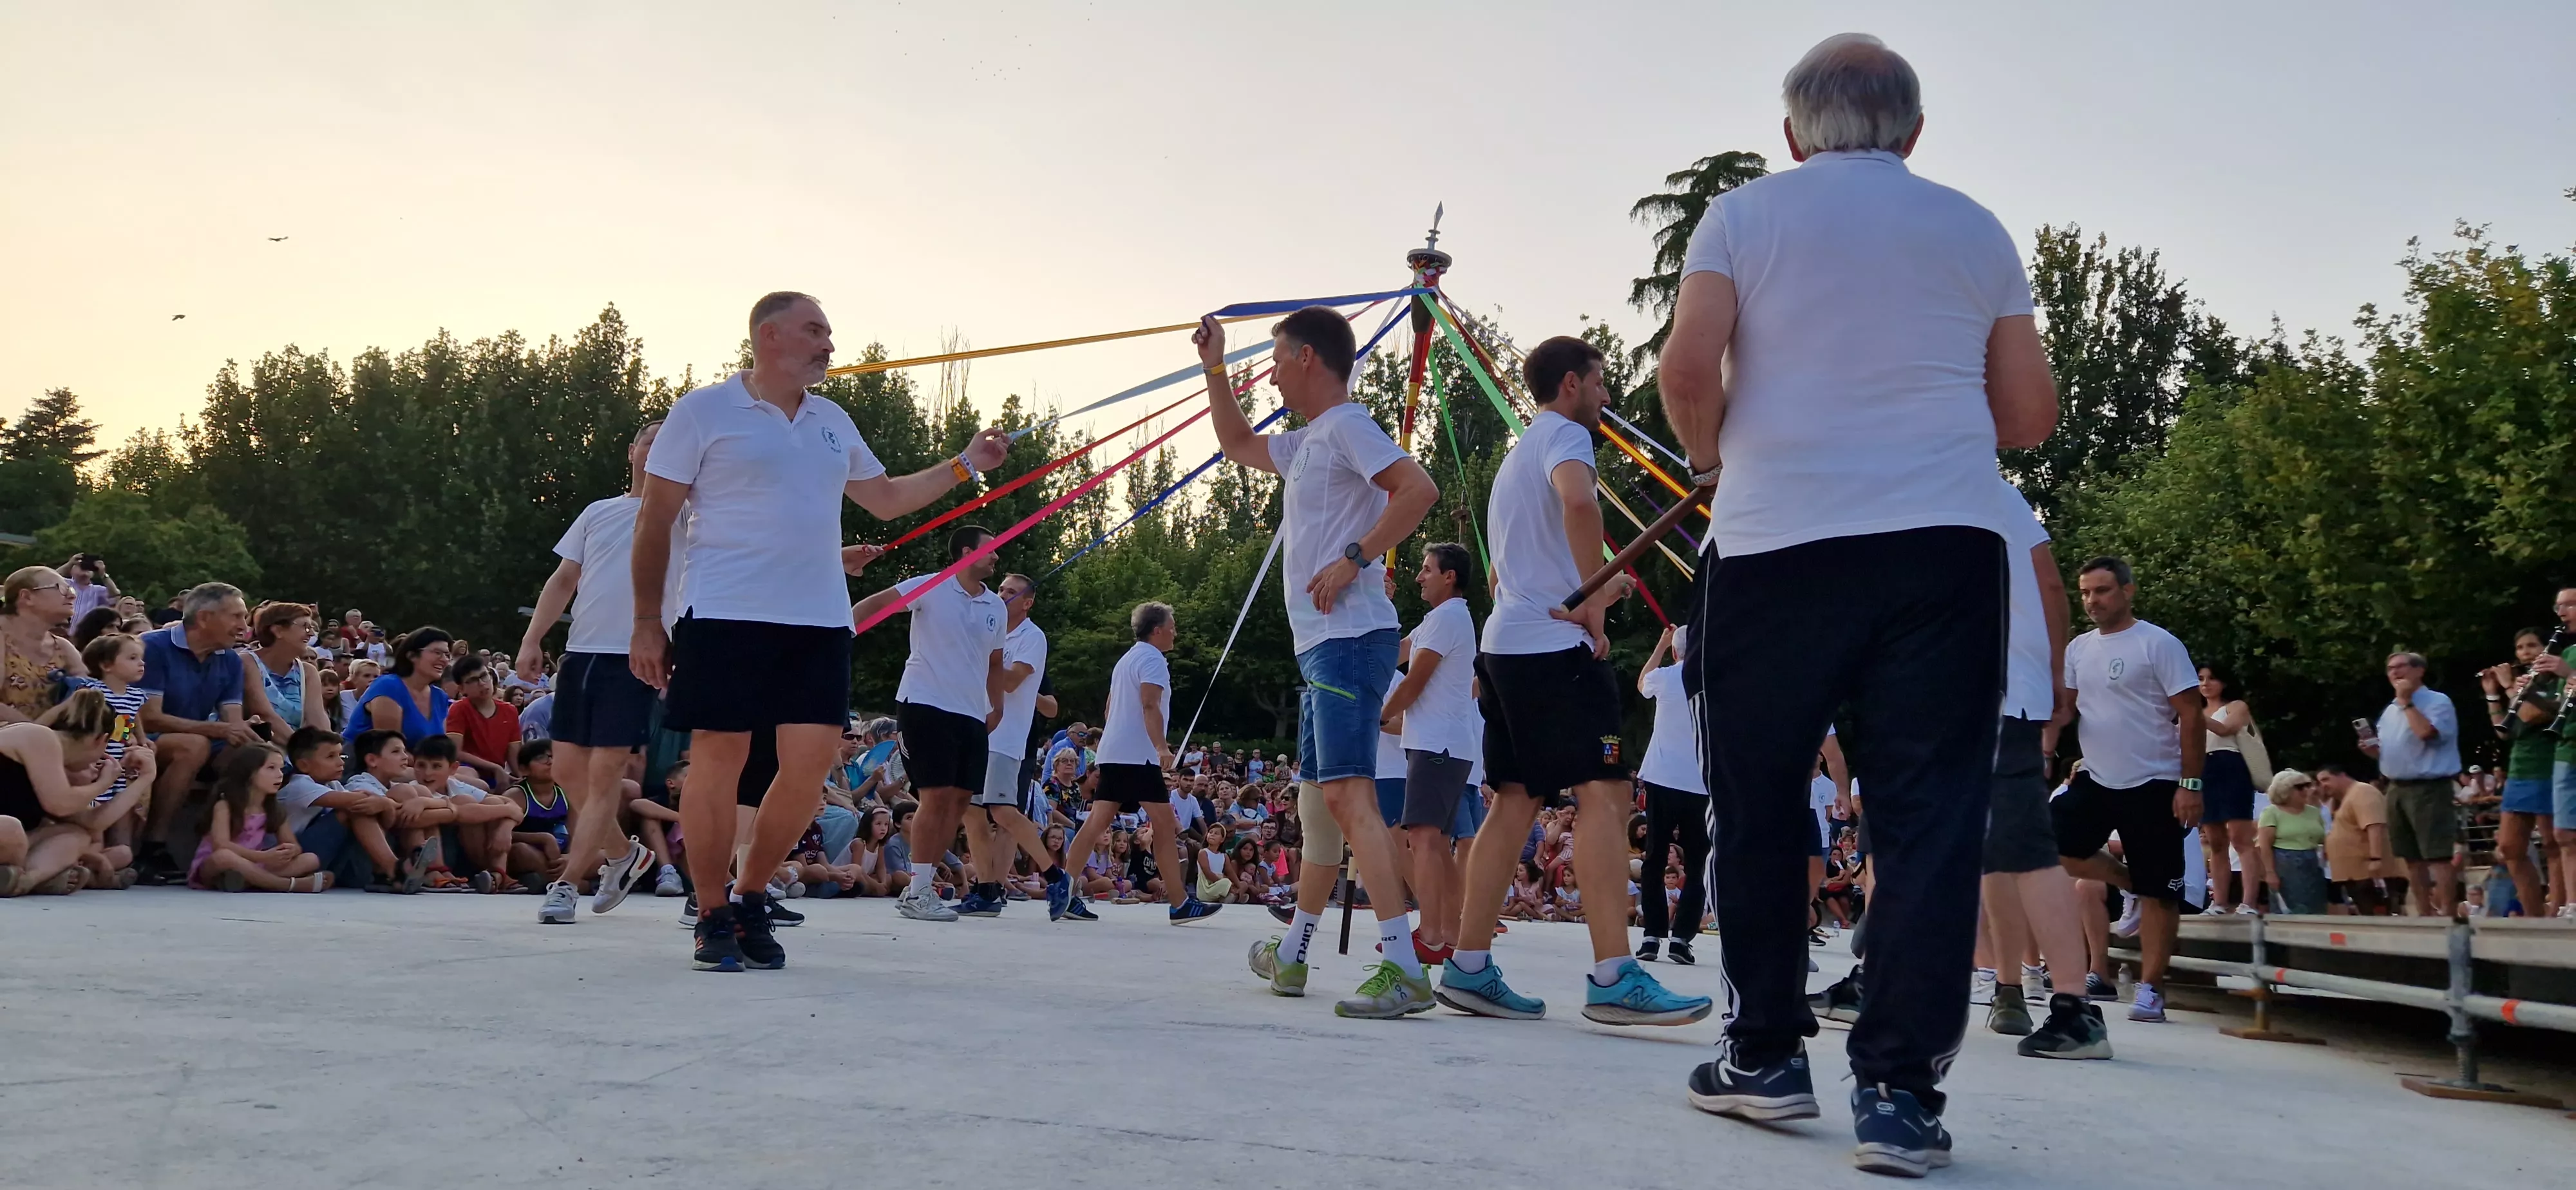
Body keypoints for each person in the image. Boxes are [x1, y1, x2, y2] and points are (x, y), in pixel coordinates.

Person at [1654, 33, 2058, 1169]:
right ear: (1915, 132)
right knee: (1929, 819)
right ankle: (1898, 1094)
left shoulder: (1742, 216)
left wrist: (1716, 466)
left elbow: (1688, 372)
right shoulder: (1974, 225)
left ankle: (1765, 1056)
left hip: (1778, 541)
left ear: (1791, 133)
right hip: (1939, 545)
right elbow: (2026, 415)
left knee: (1761, 799)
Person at [629, 290, 1011, 972]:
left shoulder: (833, 419)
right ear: (768, 336)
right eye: (815, 331)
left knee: (806, 771)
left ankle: (749, 895)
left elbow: (886, 498)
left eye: (829, 333)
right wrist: (646, 623)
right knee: (719, 760)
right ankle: (711, 908)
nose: (829, 345)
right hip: (724, 612)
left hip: (819, 620)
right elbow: (654, 519)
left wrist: (965, 465)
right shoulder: (703, 412)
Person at [1442, 332, 1710, 1034]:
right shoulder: (1565, 437)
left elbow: (1507, 575)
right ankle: (1614, 977)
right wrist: (1591, 598)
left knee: (1513, 802)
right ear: (1569, 384)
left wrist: (1587, 586)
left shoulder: (1517, 456)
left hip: (1505, 646)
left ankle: (1468, 967)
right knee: (1606, 795)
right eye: (1599, 383)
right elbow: (1580, 504)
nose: (1606, 397)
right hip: (1551, 653)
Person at [1195, 303, 1435, 1015]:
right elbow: (1236, 440)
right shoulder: (1308, 443)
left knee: (1347, 798)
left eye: (1274, 360)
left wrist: (1355, 557)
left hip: (1348, 640)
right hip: (1321, 647)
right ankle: (1294, 953)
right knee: (1320, 805)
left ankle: (1403, 967)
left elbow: (1418, 489)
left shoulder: (1348, 428)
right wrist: (1215, 366)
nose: (1267, 375)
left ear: (1306, 358)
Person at [518, 419, 686, 925]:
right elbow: (565, 577)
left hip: (638, 655)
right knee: (569, 772)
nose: (658, 448)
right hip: (581, 653)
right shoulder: (598, 512)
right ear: (633, 451)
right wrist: (532, 639)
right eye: (651, 440)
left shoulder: (689, 517)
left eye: (670, 443)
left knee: (606, 771)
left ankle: (567, 882)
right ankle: (625, 856)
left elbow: (750, 560)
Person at [1975, 480, 2110, 1059]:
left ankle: (2071, 1006)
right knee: (2006, 848)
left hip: (1966, 692)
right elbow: (2050, 584)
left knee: (2021, 847)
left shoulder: (1913, 481)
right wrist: (2055, 675)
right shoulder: (1996, 493)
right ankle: (2014, 989)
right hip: (2007, 691)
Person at [2053, 556, 2204, 1029]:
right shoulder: (2078, 649)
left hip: (2156, 780)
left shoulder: (2158, 643)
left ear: (2128, 591)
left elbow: (2193, 715)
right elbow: (2066, 711)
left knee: (2162, 894)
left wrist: (2190, 784)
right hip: (2097, 777)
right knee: (2048, 847)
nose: (2093, 601)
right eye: (2085, 593)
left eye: (2102, 591)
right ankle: (2129, 880)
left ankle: (2152, 988)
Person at [847, 526, 1012, 923]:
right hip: (926, 704)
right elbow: (870, 606)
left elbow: (994, 663)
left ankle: (917, 889)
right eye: (991, 551)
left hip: (971, 712)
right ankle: (921, 890)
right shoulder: (931, 586)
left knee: (958, 803)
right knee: (935, 798)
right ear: (968, 552)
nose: (997, 558)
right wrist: (840, 637)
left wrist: (997, 707)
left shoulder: (996, 606)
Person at [1062, 602, 1219, 924]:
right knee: (1163, 825)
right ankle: (1179, 904)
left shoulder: (1127, 659)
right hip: (1138, 756)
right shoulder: (1153, 659)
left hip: (1116, 752)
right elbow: (1151, 705)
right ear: (1157, 629)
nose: (1175, 632)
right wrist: (1162, 748)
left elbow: (1109, 710)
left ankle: (1062, 891)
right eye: (1172, 626)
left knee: (1097, 822)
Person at [136, 583, 278, 882]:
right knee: (194, 746)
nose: (244, 626)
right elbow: (149, 718)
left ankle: (237, 844)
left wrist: (248, 734)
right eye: (236, 617)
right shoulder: (152, 647)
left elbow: (232, 723)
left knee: (256, 755)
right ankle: (153, 847)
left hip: (195, 737)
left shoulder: (230, 659)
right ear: (203, 618)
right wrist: (217, 729)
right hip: (141, 739)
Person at [1381, 543, 1482, 961]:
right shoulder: (1439, 620)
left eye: (1426, 570)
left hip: (1435, 744)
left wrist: (1379, 714)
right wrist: (1376, 604)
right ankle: (1444, 934)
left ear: (1449, 576)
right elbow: (1391, 652)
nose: (1419, 577)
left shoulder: (1447, 618)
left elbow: (1414, 679)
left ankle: (1433, 935)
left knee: (1422, 841)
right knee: (1436, 844)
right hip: (1442, 744)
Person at [971, 572, 1074, 918]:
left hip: (1005, 736)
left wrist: (975, 659)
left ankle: (1055, 876)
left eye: (1010, 592)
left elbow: (1013, 681)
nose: (1001, 595)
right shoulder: (991, 630)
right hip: (978, 731)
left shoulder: (1032, 637)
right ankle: (987, 889)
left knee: (1002, 812)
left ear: (1028, 602)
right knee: (971, 812)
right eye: (1000, 589)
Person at [1, 690, 149, 895]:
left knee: (76, 835)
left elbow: (92, 822)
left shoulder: (52, 765)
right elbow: (60, 804)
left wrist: (144, 780)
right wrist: (103, 783)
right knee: (11, 831)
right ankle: (49, 877)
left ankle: (27, 880)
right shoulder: (39, 737)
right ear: (102, 740)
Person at [2359, 651, 2461, 916]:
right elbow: (2391, 749)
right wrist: (2372, 750)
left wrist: (2407, 703)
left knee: (2437, 855)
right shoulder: (2390, 710)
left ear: (2419, 671)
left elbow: (2427, 733)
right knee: (2411, 858)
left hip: (2429, 787)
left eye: (2401, 667)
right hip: (2396, 787)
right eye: (2390, 668)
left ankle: (2448, 914)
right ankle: (2425, 913)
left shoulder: (2437, 701)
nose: (2395, 672)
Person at [1632, 623, 1710, 966]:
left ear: (1677, 651)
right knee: (1697, 864)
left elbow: (1641, 683)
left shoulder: (1665, 677)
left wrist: (1661, 645)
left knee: (1654, 857)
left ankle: (1652, 936)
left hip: (1663, 779)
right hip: (1698, 783)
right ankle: (1681, 939)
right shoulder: (1712, 682)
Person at [2481, 627, 2559, 918]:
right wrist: (2492, 696)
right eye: (2520, 648)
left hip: (2546, 765)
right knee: (2510, 848)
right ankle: (2534, 914)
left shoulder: (2554, 682)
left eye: (2532, 646)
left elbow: (2528, 714)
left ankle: (2558, 910)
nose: (2525, 652)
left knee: (2553, 844)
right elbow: (2504, 731)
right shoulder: (2523, 682)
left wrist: (2509, 686)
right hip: (2519, 769)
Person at [274, 726, 406, 892]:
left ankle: (385, 870)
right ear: (304, 765)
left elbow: (385, 818)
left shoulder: (333, 785)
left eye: (341, 755)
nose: (341, 762)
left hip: (323, 856)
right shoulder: (299, 786)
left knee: (362, 809)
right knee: (353, 809)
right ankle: (392, 868)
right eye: (331, 757)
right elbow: (359, 802)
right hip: (294, 857)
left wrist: (384, 805)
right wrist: (387, 804)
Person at [188, 743, 329, 892]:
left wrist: (288, 851)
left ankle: (246, 881)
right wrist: (261, 857)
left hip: (256, 864)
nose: (280, 774)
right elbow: (221, 845)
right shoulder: (225, 805)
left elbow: (294, 846)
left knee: (310, 859)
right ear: (249, 773)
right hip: (218, 865)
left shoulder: (274, 809)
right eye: (271, 768)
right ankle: (287, 885)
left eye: (281, 769)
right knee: (224, 856)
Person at [2196, 666, 2266, 914]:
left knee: (2240, 839)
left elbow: (2225, 729)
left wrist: (2190, 712)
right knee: (2215, 841)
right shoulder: (2196, 712)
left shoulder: (2236, 706)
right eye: (2201, 679)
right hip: (2205, 771)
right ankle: (2219, 902)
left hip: (2231, 767)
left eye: (2212, 678)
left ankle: (2249, 902)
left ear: (2224, 682)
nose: (2205, 683)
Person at [2524, 588, 2576, 919]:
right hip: (2567, 747)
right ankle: (2573, 904)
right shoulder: (2569, 652)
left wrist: (2567, 674)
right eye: (2558, 606)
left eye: (2569, 604)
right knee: (2564, 833)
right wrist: (2530, 695)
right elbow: (2561, 705)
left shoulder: (2566, 661)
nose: (2562, 612)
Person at [343, 627, 457, 753]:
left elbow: (439, 747)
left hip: (415, 765)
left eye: (447, 655)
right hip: (367, 763)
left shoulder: (440, 697)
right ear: (412, 655)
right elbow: (390, 750)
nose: (444, 659)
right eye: (437, 652)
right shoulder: (389, 686)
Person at [1, 565, 85, 723]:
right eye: (60, 588)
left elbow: (91, 693)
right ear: (27, 597)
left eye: (71, 590)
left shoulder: (62, 647)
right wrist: (38, 734)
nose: (72, 596)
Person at [2316, 765, 2403, 914]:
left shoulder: (2363, 792)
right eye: (2319, 782)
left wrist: (2376, 859)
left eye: (2326, 779)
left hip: (2368, 870)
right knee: (2367, 913)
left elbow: (2374, 825)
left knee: (2377, 913)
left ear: (2342, 775)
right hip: (2356, 872)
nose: (2323, 785)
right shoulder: (2346, 798)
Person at [245, 602, 330, 736]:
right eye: (306, 627)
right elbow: (264, 714)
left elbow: (318, 718)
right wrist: (302, 752)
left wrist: (327, 747)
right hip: (260, 746)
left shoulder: (308, 672)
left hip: (298, 750)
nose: (312, 634)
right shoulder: (247, 662)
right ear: (278, 631)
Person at [2258, 770, 2330, 914]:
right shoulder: (2271, 812)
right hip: (2285, 863)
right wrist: (2270, 873)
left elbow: (2323, 838)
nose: (2306, 790)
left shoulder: (2314, 812)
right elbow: (2264, 846)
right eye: (2300, 787)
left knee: (2316, 907)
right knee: (2291, 909)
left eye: (2307, 786)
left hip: (2313, 863)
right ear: (2285, 790)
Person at [442, 656, 520, 788]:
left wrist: (521, 778)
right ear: (461, 689)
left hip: (498, 774)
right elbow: (455, 752)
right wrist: (495, 767)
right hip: (469, 769)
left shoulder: (510, 711)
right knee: (469, 777)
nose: (482, 683)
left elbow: (514, 755)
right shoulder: (459, 709)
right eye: (473, 680)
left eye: (484, 676)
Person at [61, 554, 118, 624]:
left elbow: (115, 594)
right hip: (62, 630)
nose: (85, 569)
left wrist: (103, 574)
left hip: (84, 632)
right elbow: (48, 579)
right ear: (71, 570)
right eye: (81, 566)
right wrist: (69, 564)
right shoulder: (65, 583)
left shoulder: (98, 590)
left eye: (89, 568)